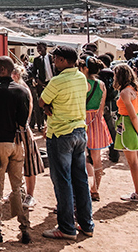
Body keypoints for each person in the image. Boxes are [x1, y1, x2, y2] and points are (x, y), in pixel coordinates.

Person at [39, 45, 94, 240]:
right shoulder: (81, 77)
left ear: (62, 60)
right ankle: (86, 224)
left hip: (60, 134)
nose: (54, 62)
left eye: (55, 59)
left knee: (63, 181)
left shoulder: (57, 80)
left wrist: (48, 107)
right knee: (81, 179)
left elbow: (41, 101)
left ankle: (67, 227)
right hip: (80, 132)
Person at [0, 56, 31, 244]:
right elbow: (24, 122)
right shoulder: (22, 91)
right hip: (16, 145)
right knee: (17, 187)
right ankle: (25, 229)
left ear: (1, 69)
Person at [112, 64, 138, 202]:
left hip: (127, 125)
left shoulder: (124, 93)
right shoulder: (137, 90)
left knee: (133, 162)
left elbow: (132, 115)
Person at [79, 56, 112, 201]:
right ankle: (95, 189)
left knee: (81, 157)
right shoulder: (101, 85)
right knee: (97, 158)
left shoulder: (83, 84)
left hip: (83, 120)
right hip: (97, 121)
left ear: (85, 69)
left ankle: (85, 187)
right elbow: (102, 107)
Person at [11, 64, 43, 210]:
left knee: (29, 164)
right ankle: (17, 191)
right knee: (13, 164)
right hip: (14, 131)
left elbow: (28, 111)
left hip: (23, 131)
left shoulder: (23, 89)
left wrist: (22, 126)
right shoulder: (14, 88)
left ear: (16, 75)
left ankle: (30, 195)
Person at [30, 42, 54, 131]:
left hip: (52, 83)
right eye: (37, 49)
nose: (38, 50)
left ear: (45, 48)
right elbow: (33, 72)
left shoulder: (52, 58)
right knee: (42, 104)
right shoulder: (36, 60)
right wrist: (37, 80)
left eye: (40, 48)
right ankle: (41, 125)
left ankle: (50, 123)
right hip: (42, 84)